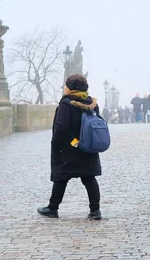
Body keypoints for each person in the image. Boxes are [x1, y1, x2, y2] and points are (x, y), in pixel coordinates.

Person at [37, 74, 102, 220]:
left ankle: (53, 208)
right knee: (89, 177)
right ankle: (95, 210)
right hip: (87, 146)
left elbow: (61, 128)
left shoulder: (67, 104)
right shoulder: (91, 103)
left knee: (61, 177)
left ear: (70, 88)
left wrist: (58, 145)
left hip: (69, 147)